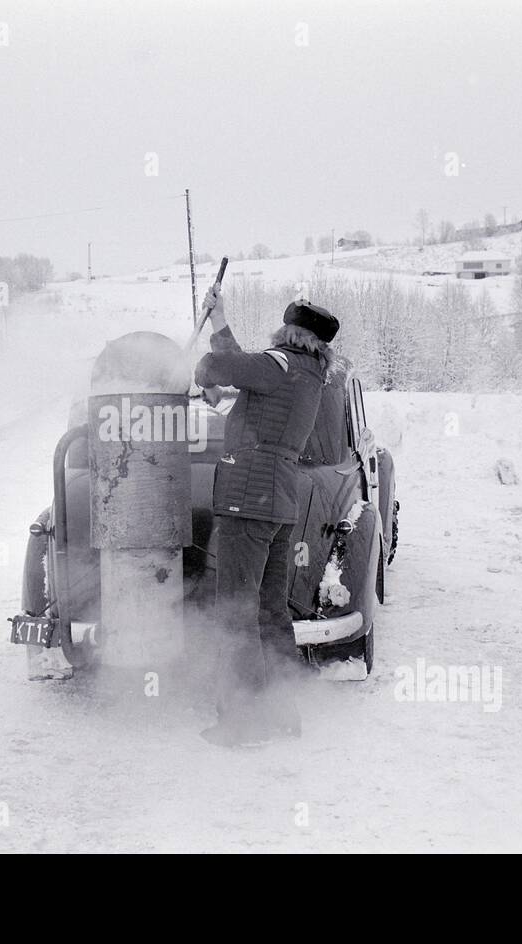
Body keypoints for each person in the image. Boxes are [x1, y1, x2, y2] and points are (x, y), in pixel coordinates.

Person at [192, 285, 339, 747]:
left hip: (246, 498)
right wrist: (219, 321)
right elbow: (247, 371)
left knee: (235, 611)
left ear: (290, 332)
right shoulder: (308, 373)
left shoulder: (281, 362)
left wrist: (202, 371)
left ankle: (243, 722)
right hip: (278, 501)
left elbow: (223, 366)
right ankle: (280, 714)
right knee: (269, 611)